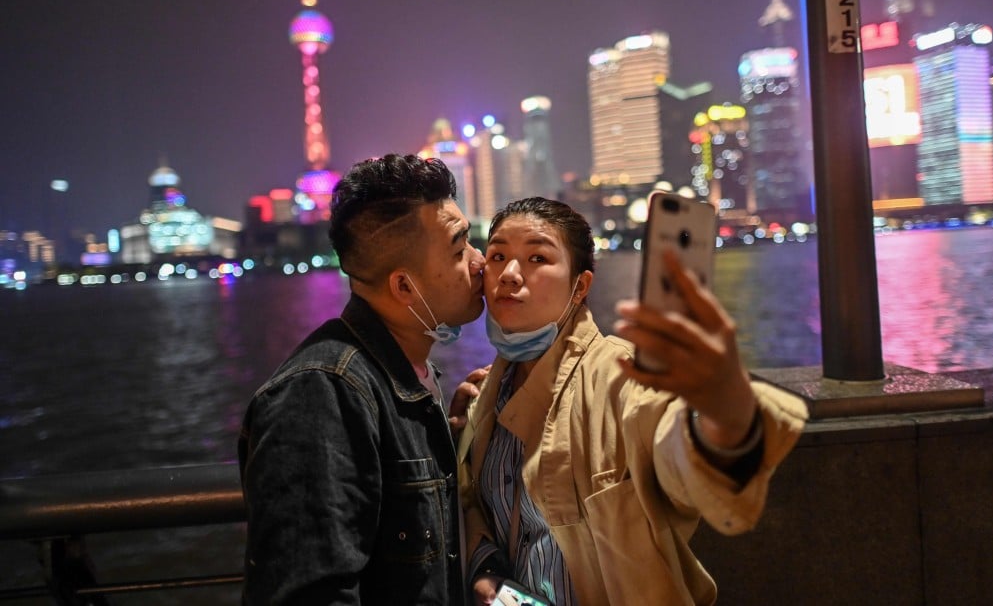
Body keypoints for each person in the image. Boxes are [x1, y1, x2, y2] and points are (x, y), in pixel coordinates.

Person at [458, 197, 808, 606]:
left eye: (537, 257)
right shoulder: (488, 393)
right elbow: (478, 509)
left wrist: (722, 403)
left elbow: (679, 448)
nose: (511, 274)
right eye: (498, 255)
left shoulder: (618, 374)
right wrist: (486, 575)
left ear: (580, 285)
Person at [238, 153, 487, 605]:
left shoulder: (409, 375)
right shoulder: (321, 394)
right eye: (459, 249)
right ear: (404, 287)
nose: (480, 261)